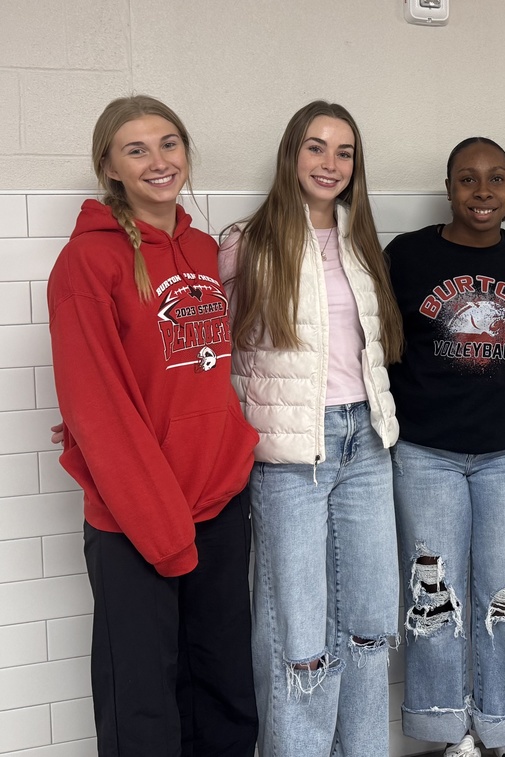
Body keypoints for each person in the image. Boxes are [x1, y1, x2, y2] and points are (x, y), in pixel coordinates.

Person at [47, 95, 259, 756]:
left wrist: (232, 457)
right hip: (134, 517)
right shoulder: (86, 264)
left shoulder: (199, 248)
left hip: (218, 503)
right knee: (140, 703)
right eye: (136, 149)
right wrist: (161, 527)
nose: (158, 161)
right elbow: (99, 408)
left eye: (168, 143)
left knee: (223, 690)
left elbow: (196, 376)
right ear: (109, 167)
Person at [219, 100, 403, 757]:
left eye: (344, 152)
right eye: (317, 148)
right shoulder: (248, 241)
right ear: (291, 154)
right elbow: (215, 352)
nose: (331, 164)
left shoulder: (359, 240)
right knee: (299, 638)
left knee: (371, 627)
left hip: (364, 444)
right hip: (290, 457)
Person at [387, 137, 505, 757]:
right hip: (426, 453)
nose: (483, 192)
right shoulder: (406, 256)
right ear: (448, 186)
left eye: (497, 179)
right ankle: (446, 729)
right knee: (436, 595)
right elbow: (386, 338)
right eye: (468, 179)